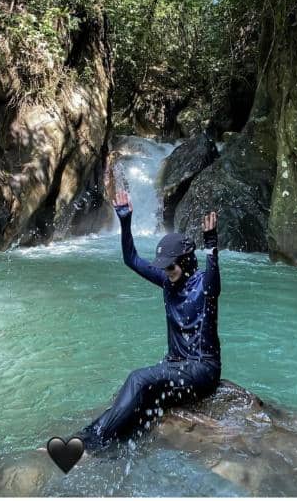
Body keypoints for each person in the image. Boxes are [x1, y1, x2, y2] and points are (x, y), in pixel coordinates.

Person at [74, 189, 220, 452]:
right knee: (141, 400)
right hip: (177, 366)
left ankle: (92, 446)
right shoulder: (167, 281)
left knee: (138, 379)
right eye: (164, 267)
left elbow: (214, 277)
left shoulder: (205, 287)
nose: (167, 272)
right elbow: (131, 259)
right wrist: (125, 220)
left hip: (202, 370)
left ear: (186, 261)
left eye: (171, 266)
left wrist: (212, 246)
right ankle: (85, 441)